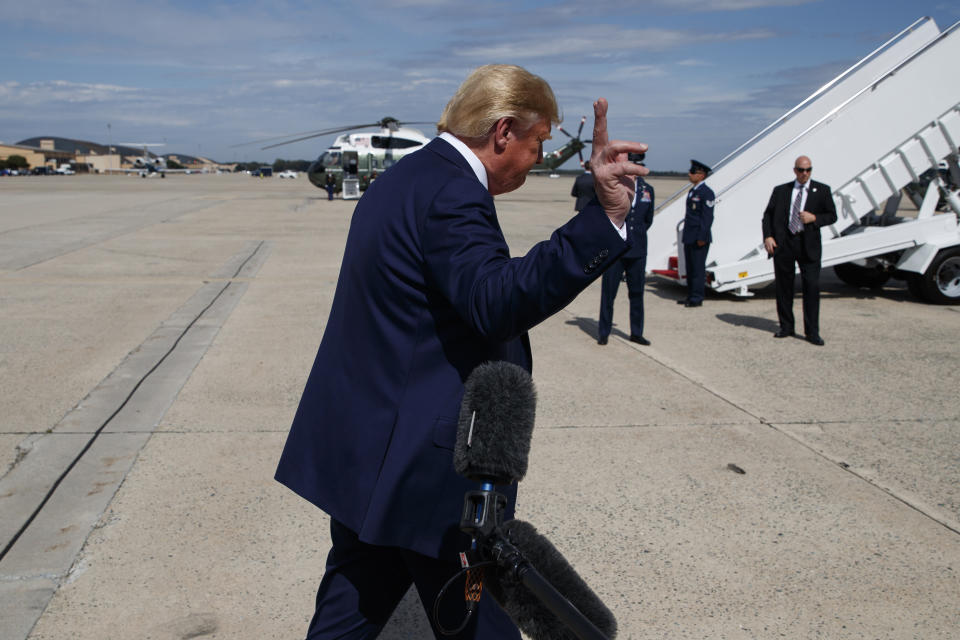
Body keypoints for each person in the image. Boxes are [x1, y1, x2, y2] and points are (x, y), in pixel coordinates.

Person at [274, 64, 648, 640]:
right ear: (503, 132)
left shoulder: (404, 179)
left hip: (365, 449)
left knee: (350, 605)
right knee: (479, 616)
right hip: (423, 469)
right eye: (537, 143)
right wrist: (605, 220)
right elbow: (495, 301)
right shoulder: (453, 193)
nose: (539, 160)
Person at [762, 155, 837, 345]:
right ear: (795, 170)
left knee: (811, 288)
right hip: (785, 244)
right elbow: (768, 215)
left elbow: (832, 215)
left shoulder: (822, 190)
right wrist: (768, 236)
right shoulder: (781, 191)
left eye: (808, 170)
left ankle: (812, 332)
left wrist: (814, 218)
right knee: (784, 288)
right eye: (801, 170)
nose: (805, 173)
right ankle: (786, 326)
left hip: (808, 244)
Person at [597, 169, 655, 345]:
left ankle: (636, 332)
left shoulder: (648, 190)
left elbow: (648, 219)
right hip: (616, 251)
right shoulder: (615, 188)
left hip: (637, 250)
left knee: (637, 293)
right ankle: (604, 332)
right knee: (609, 294)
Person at [679, 159, 714, 307]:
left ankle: (697, 298)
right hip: (689, 236)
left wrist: (701, 237)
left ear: (701, 175)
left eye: (693, 172)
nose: (689, 174)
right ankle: (690, 295)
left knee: (698, 269)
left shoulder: (706, 193)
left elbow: (707, 217)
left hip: (699, 238)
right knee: (690, 268)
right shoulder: (693, 191)